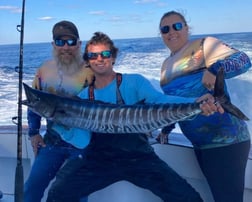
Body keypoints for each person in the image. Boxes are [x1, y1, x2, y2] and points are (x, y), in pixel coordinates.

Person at [46, 32, 224, 202]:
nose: (99, 59)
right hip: (98, 160)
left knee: (187, 197)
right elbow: (83, 140)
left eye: (105, 54)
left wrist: (196, 102)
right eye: (93, 56)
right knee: (58, 192)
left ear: (113, 57)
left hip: (139, 157)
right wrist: (61, 125)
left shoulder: (134, 82)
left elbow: (159, 101)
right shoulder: (84, 96)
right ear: (88, 62)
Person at [158, 11, 251, 202]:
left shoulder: (204, 45)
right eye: (165, 29)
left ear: (186, 28)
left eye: (177, 26)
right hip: (200, 144)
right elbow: (173, 103)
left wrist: (214, 69)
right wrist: (166, 128)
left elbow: (243, 60)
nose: (171, 32)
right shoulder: (165, 66)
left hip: (227, 141)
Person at [24, 20, 94, 202]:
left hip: (83, 146)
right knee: (30, 190)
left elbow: (106, 106)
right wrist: (33, 133)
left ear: (79, 44)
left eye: (71, 42)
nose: (66, 47)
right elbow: (34, 104)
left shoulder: (91, 71)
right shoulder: (43, 70)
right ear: (53, 44)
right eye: (60, 42)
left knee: (74, 194)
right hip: (52, 143)